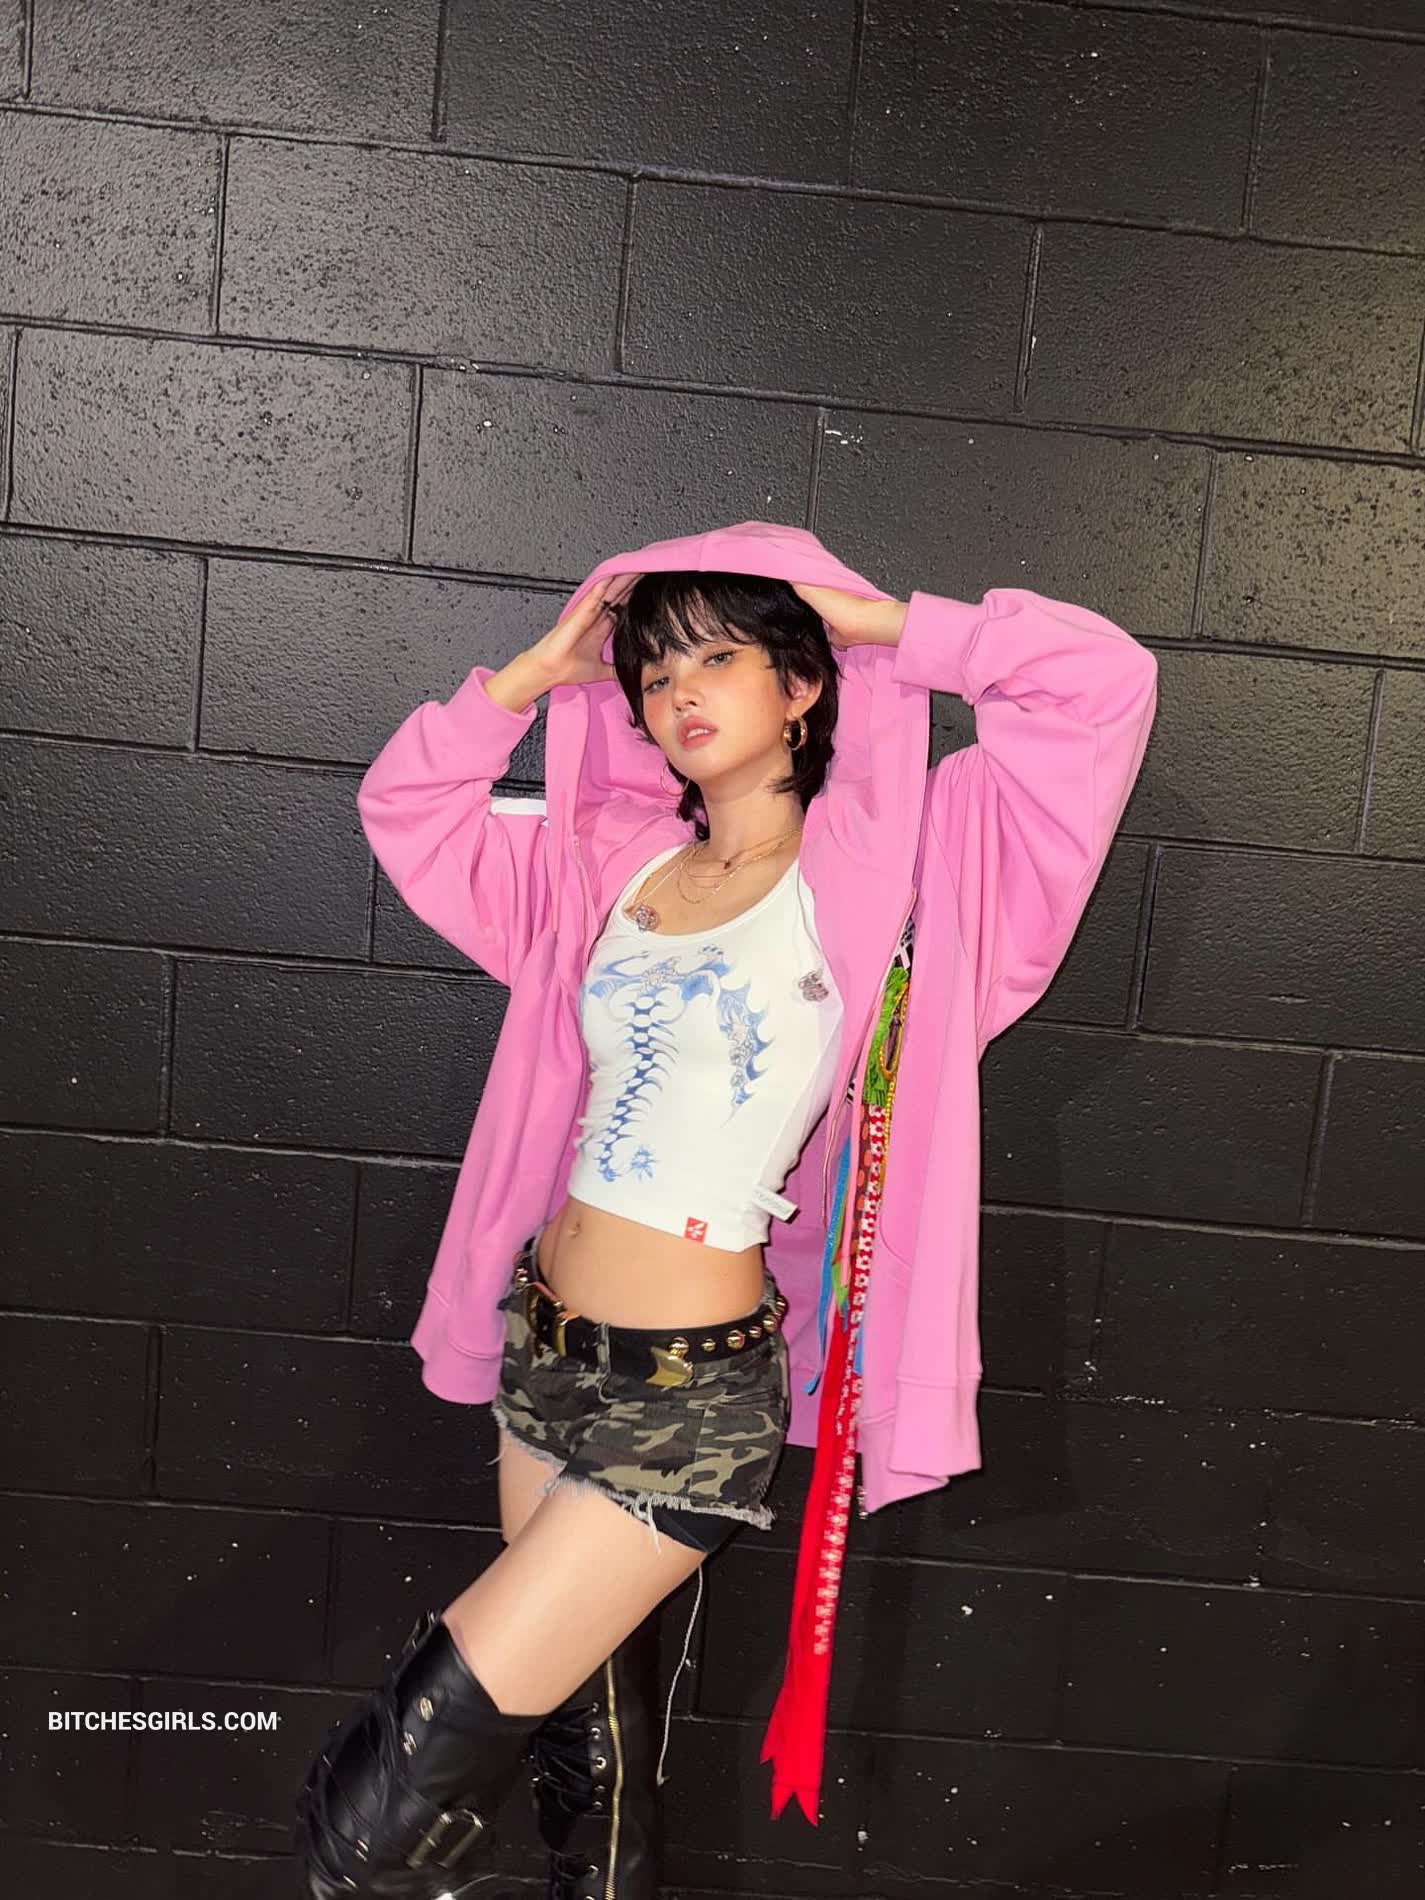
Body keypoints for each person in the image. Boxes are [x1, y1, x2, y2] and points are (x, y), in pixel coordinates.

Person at [292, 520, 1158, 1898]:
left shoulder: (916, 871)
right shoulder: (610, 861)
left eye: (717, 657)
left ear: (801, 685)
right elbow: (410, 806)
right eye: (653, 673)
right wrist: (536, 675)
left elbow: (1100, 684)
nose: (676, 692)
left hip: (688, 1401)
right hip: (548, 1352)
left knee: (370, 1820)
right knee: (595, 1774)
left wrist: (878, 624)